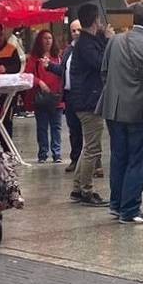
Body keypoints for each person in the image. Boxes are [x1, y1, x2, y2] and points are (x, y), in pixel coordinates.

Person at [101, 3, 143, 224]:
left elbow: (104, 72)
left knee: (119, 157)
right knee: (139, 160)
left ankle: (116, 204)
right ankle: (130, 210)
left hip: (113, 108)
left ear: (133, 18)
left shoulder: (114, 40)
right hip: (140, 111)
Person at [67, 5, 111, 207]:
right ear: (94, 21)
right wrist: (109, 40)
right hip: (88, 101)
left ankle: (77, 188)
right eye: (99, 21)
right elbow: (101, 62)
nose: (101, 24)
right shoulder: (85, 44)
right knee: (93, 148)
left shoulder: (88, 41)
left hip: (86, 99)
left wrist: (103, 37)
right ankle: (86, 190)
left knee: (88, 147)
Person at [49, 20, 85, 172]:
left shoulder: (88, 49)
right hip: (70, 95)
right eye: (73, 31)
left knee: (88, 131)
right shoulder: (68, 50)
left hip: (84, 95)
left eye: (79, 30)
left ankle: (94, 164)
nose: (76, 33)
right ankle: (75, 159)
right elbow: (64, 71)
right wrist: (50, 66)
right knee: (74, 130)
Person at [28, 30, 64, 163]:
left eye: (50, 38)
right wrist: (40, 82)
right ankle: (43, 153)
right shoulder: (34, 59)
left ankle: (57, 153)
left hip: (56, 98)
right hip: (42, 98)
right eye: (45, 38)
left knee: (56, 127)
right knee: (42, 127)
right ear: (40, 41)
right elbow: (29, 75)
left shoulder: (59, 57)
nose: (48, 41)